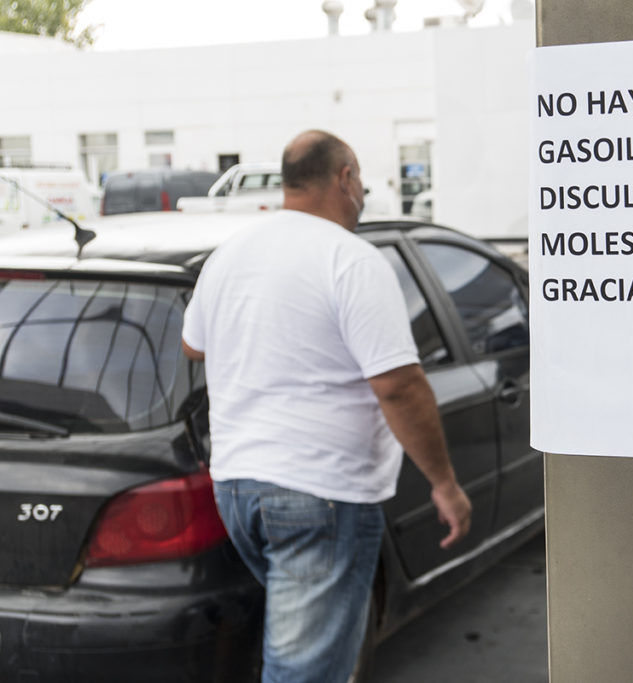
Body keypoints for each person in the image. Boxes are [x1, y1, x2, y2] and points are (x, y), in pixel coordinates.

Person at [181, 129, 472, 683]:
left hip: (238, 486)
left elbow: (193, 345)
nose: (361, 193)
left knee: (306, 654)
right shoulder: (351, 261)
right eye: (359, 179)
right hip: (318, 493)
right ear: (343, 178)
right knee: (303, 672)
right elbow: (400, 387)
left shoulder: (231, 254)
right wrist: (445, 484)